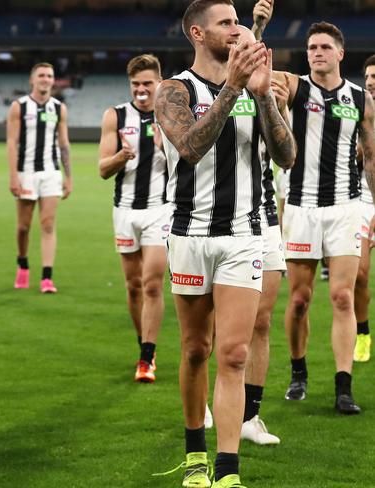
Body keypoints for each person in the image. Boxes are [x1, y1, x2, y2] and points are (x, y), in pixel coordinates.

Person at [154, 1, 295, 486]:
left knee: (233, 354)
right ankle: (195, 456)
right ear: (198, 33)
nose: (237, 30)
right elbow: (190, 148)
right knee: (196, 349)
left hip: (243, 236)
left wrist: (263, 98)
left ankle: (227, 470)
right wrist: (233, 87)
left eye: (238, 21)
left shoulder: (255, 87)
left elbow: (287, 156)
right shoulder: (173, 90)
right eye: (226, 23)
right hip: (190, 234)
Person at [262, 19, 375, 414]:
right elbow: (255, 68)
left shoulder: (361, 99)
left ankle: (344, 386)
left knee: (343, 296)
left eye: (324, 47)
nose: (317, 53)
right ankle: (298, 371)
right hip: (301, 207)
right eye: (311, 48)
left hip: (346, 207)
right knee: (299, 301)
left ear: (340, 53)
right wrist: (258, 30)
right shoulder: (295, 86)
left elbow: (372, 156)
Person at [98, 54, 169, 383]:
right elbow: (102, 169)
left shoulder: (170, 115)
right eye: (136, 84)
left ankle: (146, 357)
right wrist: (121, 156)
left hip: (160, 210)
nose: (142, 89)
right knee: (133, 285)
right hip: (125, 210)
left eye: (147, 83)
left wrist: (165, 146)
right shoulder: (115, 115)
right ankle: (145, 344)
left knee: (153, 284)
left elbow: (191, 161)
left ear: (159, 83)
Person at [233, 16, 285, 446]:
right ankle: (218, 399)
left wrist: (269, 96)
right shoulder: (210, 90)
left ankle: (251, 416)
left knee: (261, 322)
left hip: (265, 218)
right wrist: (255, 25)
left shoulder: (268, 95)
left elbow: (286, 152)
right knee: (220, 326)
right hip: (221, 223)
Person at [7, 63, 72, 293]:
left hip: (50, 172)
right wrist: (13, 176)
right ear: (32, 80)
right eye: (41, 75)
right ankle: (23, 263)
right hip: (26, 173)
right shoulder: (19, 107)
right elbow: (12, 143)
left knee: (47, 224)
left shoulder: (59, 108)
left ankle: (47, 277)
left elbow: (63, 144)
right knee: (24, 227)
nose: (46, 79)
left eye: (50, 76)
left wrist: (68, 176)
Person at [353, 53, 375, 362]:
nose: (370, 82)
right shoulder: (357, 111)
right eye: (368, 78)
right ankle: (362, 333)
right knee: (359, 274)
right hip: (363, 199)